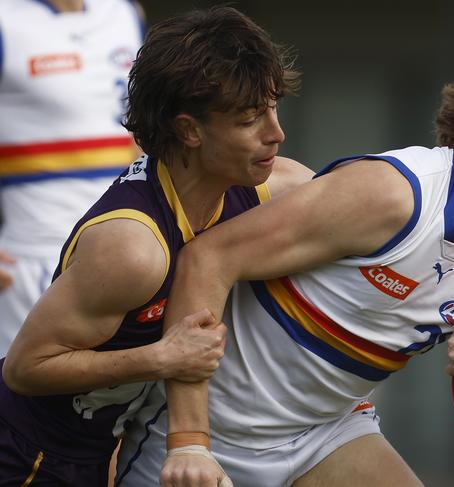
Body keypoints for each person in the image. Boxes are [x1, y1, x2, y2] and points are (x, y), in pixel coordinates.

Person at [116, 33, 454, 487]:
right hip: (215, 429)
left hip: (326, 434)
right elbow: (207, 261)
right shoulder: (393, 195)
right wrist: (188, 441)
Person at [0, 6, 310, 486]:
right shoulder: (132, 248)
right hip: (28, 456)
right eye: (251, 120)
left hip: (101, 448)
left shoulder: (271, 185)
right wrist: (161, 359)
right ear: (188, 130)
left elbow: (364, 205)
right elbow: (25, 368)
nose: (276, 133)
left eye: (274, 108)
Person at [0, 0, 147, 356]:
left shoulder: (125, 13)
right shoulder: (7, 18)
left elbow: (141, 129)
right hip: (35, 261)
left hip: (132, 251)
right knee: (22, 405)